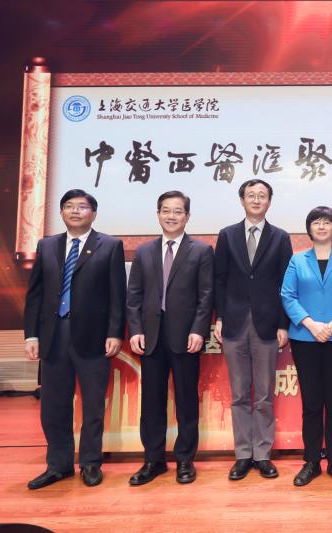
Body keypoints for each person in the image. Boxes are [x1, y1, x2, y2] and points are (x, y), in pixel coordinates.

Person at [24, 189, 126, 489]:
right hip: (53, 336)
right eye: (69, 206)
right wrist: (31, 334)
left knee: (93, 405)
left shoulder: (110, 246)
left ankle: (91, 463)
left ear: (93, 213)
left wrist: (114, 332)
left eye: (82, 207)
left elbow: (117, 295)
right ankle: (58, 465)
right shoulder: (47, 245)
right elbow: (35, 294)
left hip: (93, 338)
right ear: (61, 212)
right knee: (53, 406)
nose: (75, 211)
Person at [126, 191, 214, 486]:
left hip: (186, 336)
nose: (171, 216)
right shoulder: (144, 251)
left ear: (187, 216)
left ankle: (185, 459)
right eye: (166, 211)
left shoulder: (201, 251)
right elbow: (134, 295)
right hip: (150, 337)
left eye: (178, 211)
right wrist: (135, 330)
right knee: (152, 400)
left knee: (186, 400)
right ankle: (153, 460)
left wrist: (199, 330)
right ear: (158, 214)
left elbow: (206, 296)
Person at [214, 179, 293, 480]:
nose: (256, 200)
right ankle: (242, 455)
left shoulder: (280, 237)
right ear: (242, 200)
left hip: (268, 324)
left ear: (269, 202)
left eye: (262, 196)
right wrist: (220, 318)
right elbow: (219, 279)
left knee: (263, 394)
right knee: (239, 394)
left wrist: (283, 324)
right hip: (234, 323)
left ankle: (262, 454)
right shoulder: (227, 235)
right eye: (251, 195)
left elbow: (286, 284)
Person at [280, 206, 332, 486]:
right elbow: (288, 295)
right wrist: (312, 324)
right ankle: (312, 461)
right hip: (305, 338)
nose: (322, 226)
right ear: (309, 228)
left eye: (327, 222)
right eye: (316, 222)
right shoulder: (297, 260)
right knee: (312, 402)